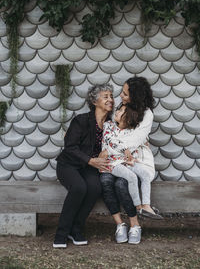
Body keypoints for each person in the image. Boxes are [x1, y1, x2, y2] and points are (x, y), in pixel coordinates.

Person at [53, 84, 114, 248]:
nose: (110, 99)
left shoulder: (111, 124)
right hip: (69, 165)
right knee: (79, 187)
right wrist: (90, 160)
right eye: (106, 96)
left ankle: (76, 229)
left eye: (111, 96)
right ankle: (61, 233)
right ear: (95, 101)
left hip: (89, 168)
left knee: (95, 188)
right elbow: (70, 147)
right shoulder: (81, 120)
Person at [100, 76, 156, 244]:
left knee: (121, 184)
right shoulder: (121, 106)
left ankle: (135, 224)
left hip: (133, 159)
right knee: (105, 181)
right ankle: (120, 224)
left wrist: (125, 148)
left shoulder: (146, 114)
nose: (121, 96)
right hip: (113, 159)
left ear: (136, 97)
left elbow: (135, 139)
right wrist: (114, 147)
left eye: (125, 94)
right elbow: (112, 131)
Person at [101, 103, 162, 219]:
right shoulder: (109, 126)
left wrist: (132, 157)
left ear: (127, 118)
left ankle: (146, 205)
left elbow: (134, 147)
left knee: (144, 174)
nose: (117, 112)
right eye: (118, 110)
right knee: (132, 177)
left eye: (121, 111)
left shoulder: (131, 131)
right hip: (112, 163)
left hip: (126, 162)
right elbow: (110, 143)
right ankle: (138, 207)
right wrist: (124, 148)